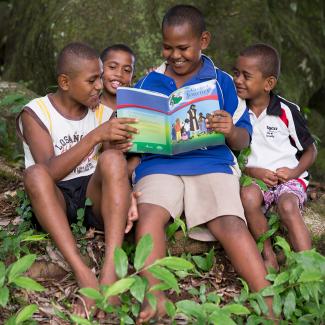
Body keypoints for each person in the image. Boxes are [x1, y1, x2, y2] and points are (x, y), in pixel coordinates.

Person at [132, 5, 273, 324]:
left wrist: (230, 131)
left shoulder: (222, 82)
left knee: (231, 223)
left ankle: (269, 305)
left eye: (183, 48)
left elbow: (243, 140)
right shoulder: (147, 82)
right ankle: (154, 297)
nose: (175, 55)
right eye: (167, 47)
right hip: (159, 165)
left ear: (204, 40)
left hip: (211, 161)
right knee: (150, 215)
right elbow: (132, 137)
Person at [16, 42, 138, 316]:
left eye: (100, 77)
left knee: (112, 159)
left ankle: (110, 272)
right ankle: (82, 272)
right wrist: (96, 136)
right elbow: (49, 171)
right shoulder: (35, 112)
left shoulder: (107, 115)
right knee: (35, 174)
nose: (100, 85)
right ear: (65, 82)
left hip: (93, 197)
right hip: (53, 199)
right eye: (92, 79)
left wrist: (129, 188)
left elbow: (113, 166)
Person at [234, 43, 317, 270]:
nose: (238, 80)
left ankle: (308, 267)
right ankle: (268, 255)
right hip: (256, 178)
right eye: (236, 73)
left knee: (288, 206)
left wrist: (294, 172)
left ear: (268, 83)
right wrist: (253, 171)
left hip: (288, 178)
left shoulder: (287, 111)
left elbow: (311, 151)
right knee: (248, 197)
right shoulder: (236, 110)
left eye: (246, 76)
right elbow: (237, 156)